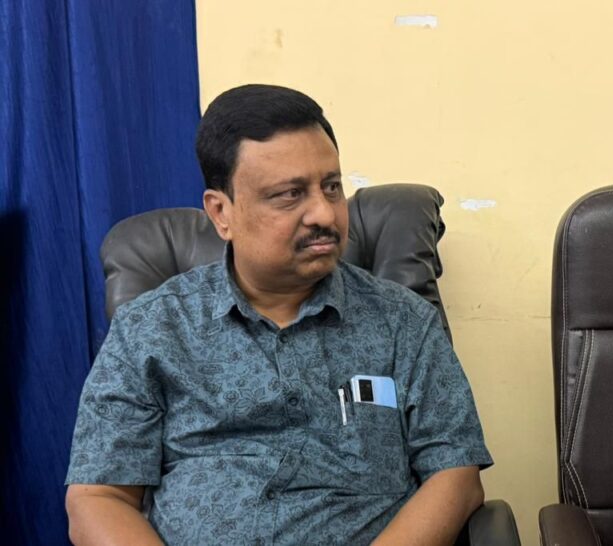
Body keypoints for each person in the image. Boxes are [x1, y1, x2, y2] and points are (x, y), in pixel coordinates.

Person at [64, 84, 492, 545]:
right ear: (221, 213)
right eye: (290, 194)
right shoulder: (150, 328)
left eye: (332, 187)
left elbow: (456, 475)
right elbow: (99, 497)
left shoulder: (403, 321)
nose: (324, 214)